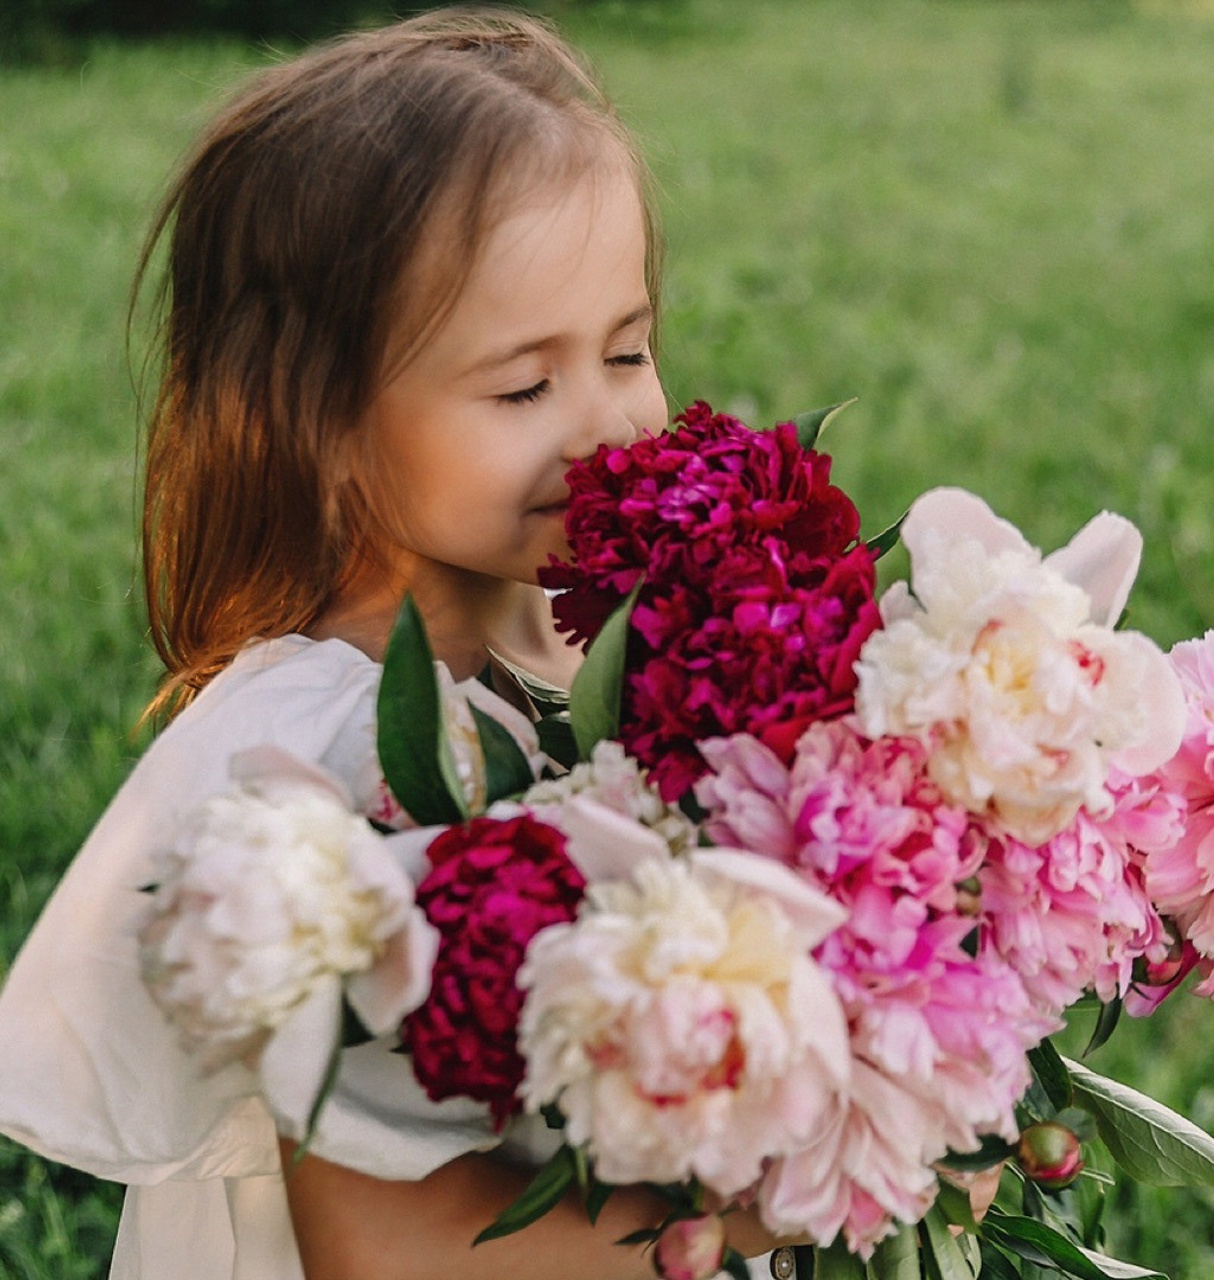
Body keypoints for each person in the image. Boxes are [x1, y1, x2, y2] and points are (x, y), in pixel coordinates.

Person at [0, 9, 803, 1279]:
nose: (605, 425)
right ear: (314, 421)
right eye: (521, 386)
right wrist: (786, 1204)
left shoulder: (591, 647)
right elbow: (386, 1242)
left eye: (627, 349)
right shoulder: (322, 785)